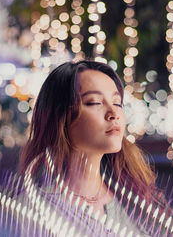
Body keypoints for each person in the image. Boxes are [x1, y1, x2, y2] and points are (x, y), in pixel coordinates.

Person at [19, 61, 157, 218]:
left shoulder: (133, 201)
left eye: (117, 103)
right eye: (94, 102)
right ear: (60, 117)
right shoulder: (29, 212)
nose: (114, 113)